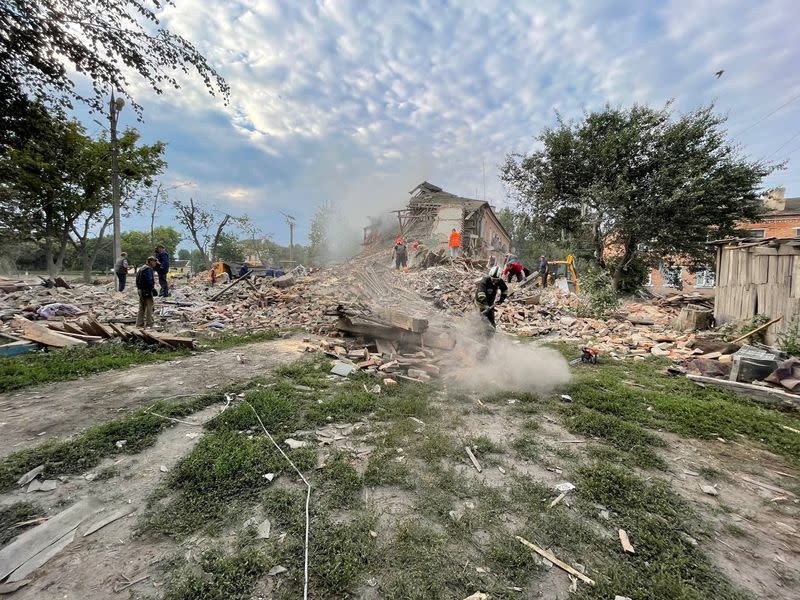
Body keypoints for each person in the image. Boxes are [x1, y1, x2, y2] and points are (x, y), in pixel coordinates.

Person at [475, 265, 508, 331]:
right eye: (493, 279)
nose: (494, 282)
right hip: (480, 303)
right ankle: (478, 334)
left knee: (491, 320)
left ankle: (491, 336)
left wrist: (501, 300)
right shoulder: (484, 281)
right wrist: (485, 305)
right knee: (483, 320)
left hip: (490, 304)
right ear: (490, 276)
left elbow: (505, 290)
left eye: (496, 280)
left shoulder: (500, 281)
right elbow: (481, 294)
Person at [135, 257, 158, 328]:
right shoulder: (148, 269)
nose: (155, 263)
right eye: (154, 261)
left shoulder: (142, 268)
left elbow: (137, 280)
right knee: (149, 307)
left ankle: (139, 324)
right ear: (150, 261)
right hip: (147, 290)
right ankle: (150, 323)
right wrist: (152, 289)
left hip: (140, 290)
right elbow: (149, 280)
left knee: (141, 307)